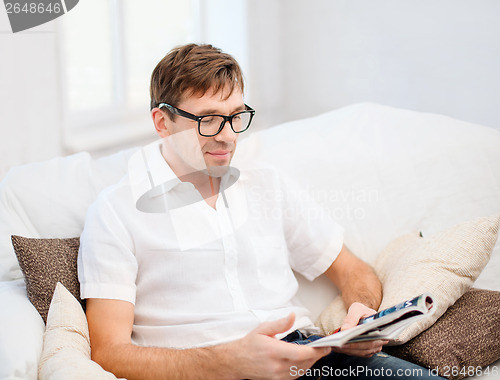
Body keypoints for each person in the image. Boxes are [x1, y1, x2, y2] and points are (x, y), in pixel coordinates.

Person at [78, 43, 443, 380]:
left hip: (309, 357)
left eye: (236, 116)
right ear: (162, 122)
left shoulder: (267, 185)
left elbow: (351, 269)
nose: (228, 136)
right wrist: (225, 360)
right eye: (208, 120)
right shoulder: (116, 212)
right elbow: (108, 352)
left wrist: (362, 315)